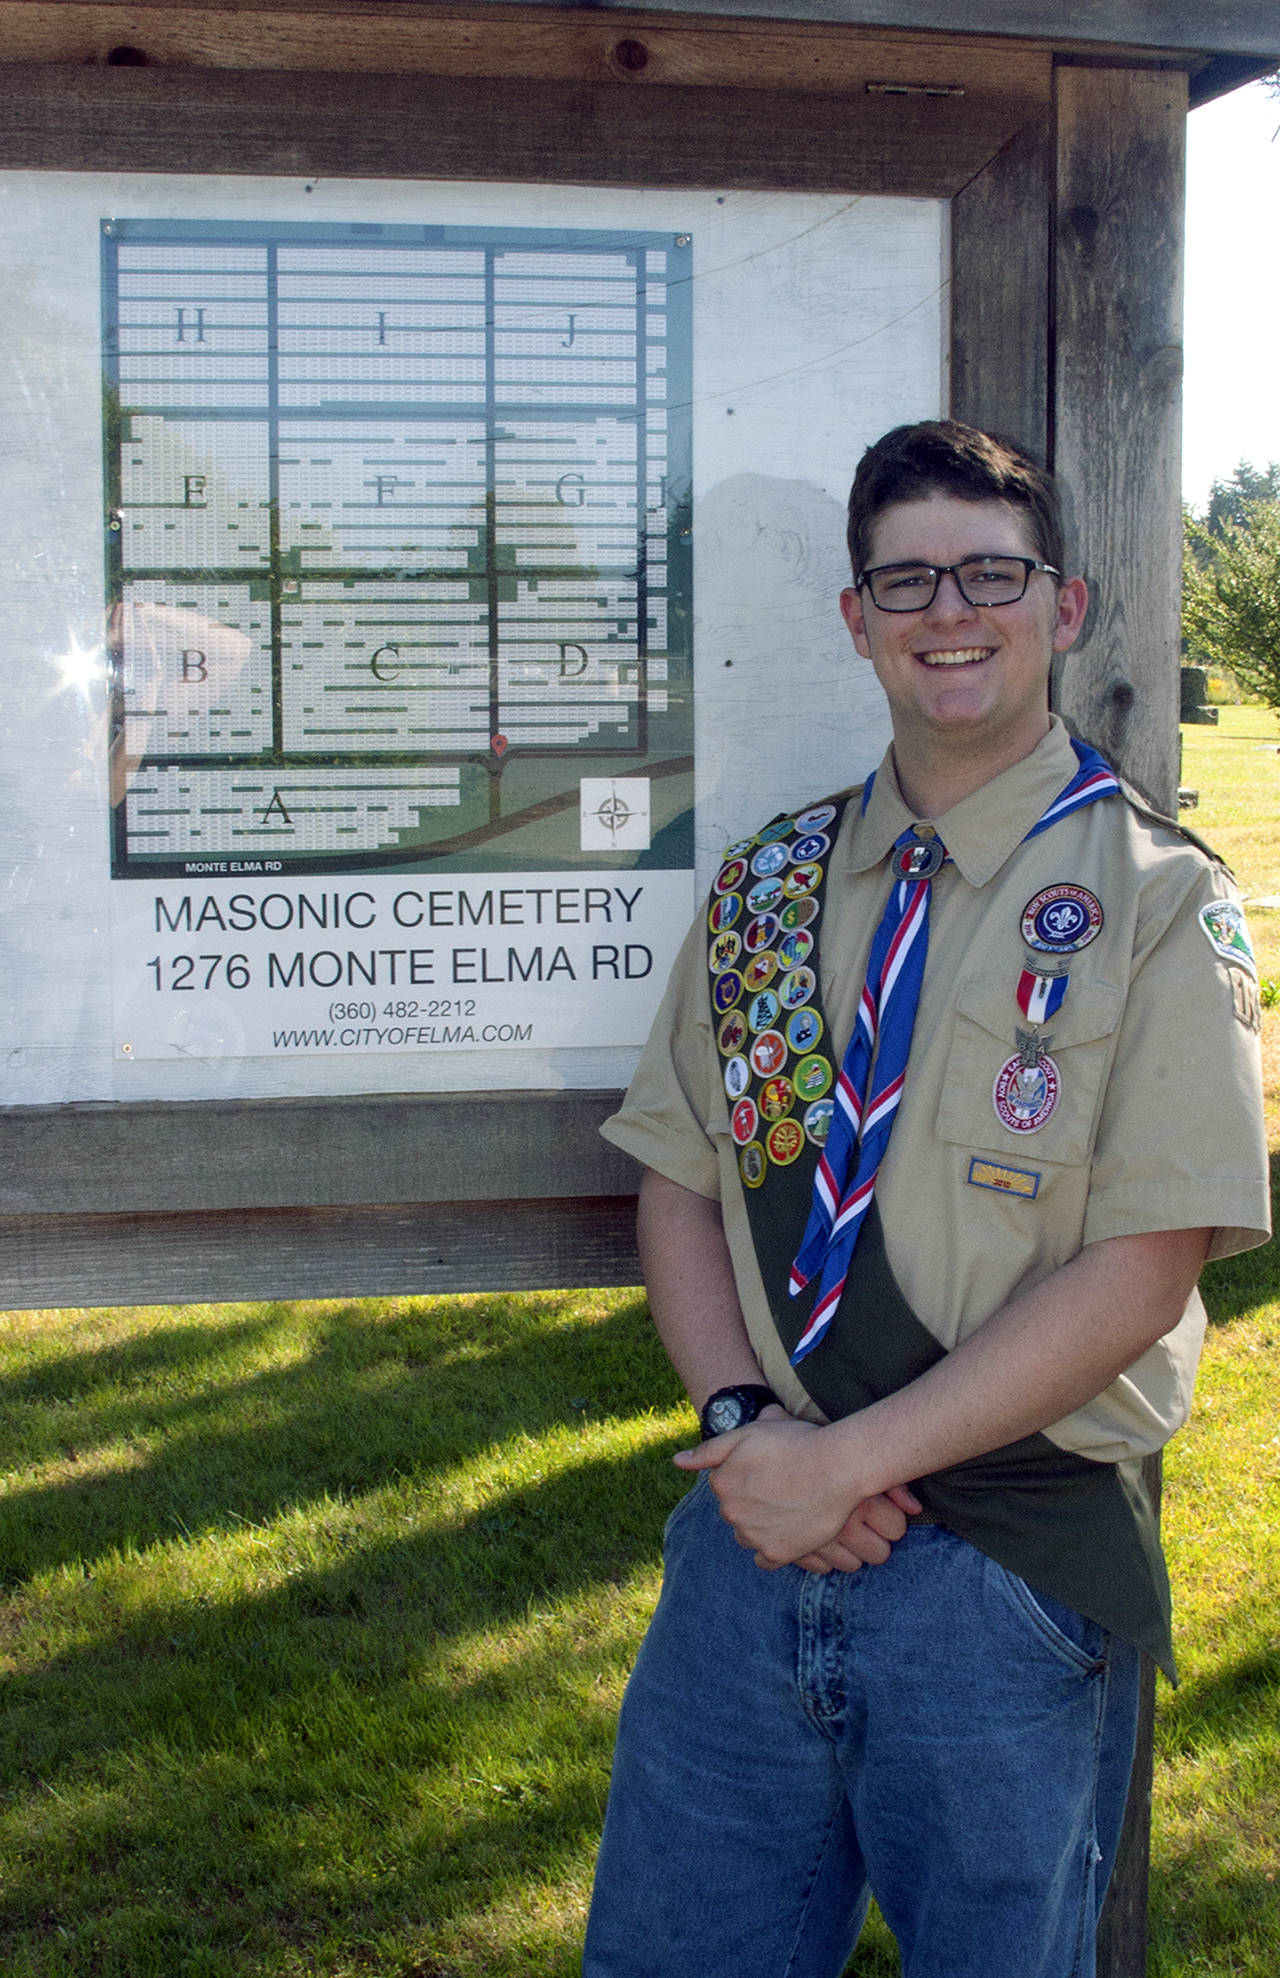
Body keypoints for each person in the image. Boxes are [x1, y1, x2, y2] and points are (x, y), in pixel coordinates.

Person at [583, 421, 1271, 1978]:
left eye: (990, 571)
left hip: (1000, 1578)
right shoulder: (765, 890)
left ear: (1066, 604)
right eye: (906, 577)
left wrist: (853, 1465)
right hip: (753, 1551)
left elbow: (1146, 1266)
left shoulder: (1159, 903)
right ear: (857, 615)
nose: (948, 608)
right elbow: (684, 1181)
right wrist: (757, 1431)